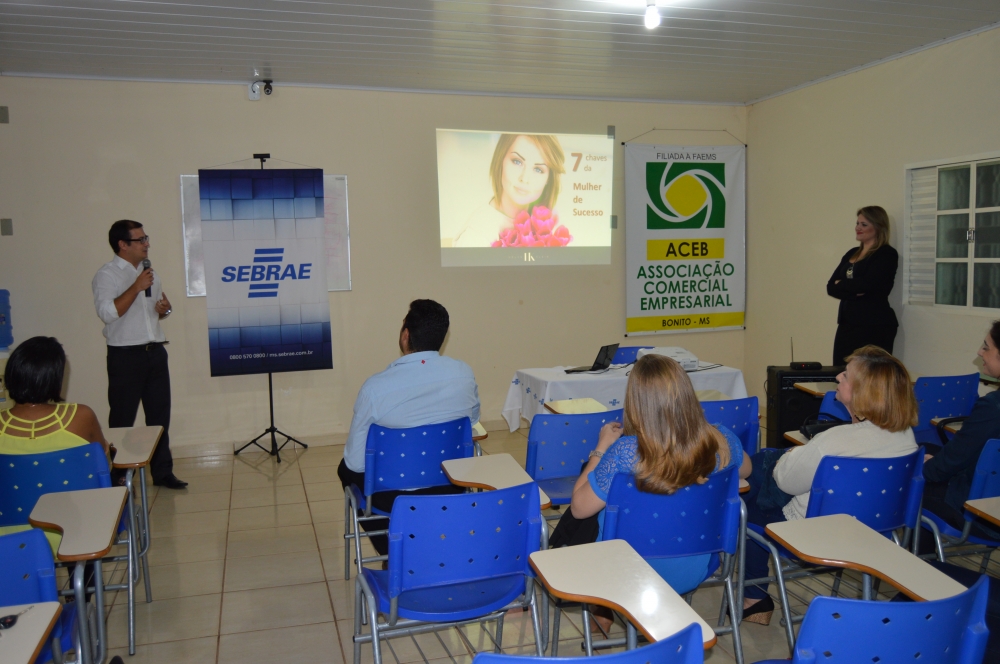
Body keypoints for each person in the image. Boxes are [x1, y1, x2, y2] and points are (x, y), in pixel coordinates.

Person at [566, 354, 751, 629]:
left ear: (635, 402)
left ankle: (602, 611)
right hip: (693, 568)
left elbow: (578, 509)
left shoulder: (625, 452)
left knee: (596, 504)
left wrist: (601, 448)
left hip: (624, 573)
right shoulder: (721, 439)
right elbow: (745, 469)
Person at [741, 345, 918, 625]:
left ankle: (753, 598)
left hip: (814, 532)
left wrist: (793, 455)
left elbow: (786, 482)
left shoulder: (834, 440)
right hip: (875, 530)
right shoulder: (906, 437)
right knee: (762, 465)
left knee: (746, 501)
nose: (837, 378)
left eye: (845, 375)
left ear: (863, 391)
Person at [337, 299, 480, 556]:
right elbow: (472, 420)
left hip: (391, 495)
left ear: (405, 336)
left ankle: (393, 552)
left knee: (345, 468)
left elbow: (356, 463)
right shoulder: (464, 374)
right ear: (442, 337)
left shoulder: (375, 388)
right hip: (449, 484)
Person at [92, 219, 185, 489]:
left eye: (146, 238)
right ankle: (118, 476)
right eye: (140, 239)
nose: (147, 244)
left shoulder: (149, 273)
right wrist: (135, 286)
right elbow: (108, 313)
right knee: (123, 419)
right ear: (123, 244)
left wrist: (164, 309)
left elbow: (154, 312)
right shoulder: (107, 275)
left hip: (155, 352)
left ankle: (163, 473)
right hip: (125, 356)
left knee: (159, 418)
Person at [0, 336, 111, 548]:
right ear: (55, 379)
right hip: (76, 533)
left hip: (8, 539)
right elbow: (103, 464)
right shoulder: (81, 416)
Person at [922, 321, 1000, 539]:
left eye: (986, 347)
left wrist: (921, 469)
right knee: (926, 449)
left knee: (911, 480)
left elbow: (949, 463)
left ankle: (920, 558)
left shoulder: (993, 408)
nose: (980, 352)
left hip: (980, 512)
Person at [453, 133, 566, 247]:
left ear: (549, 178)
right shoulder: (476, 235)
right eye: (517, 161)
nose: (524, 178)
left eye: (538, 169)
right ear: (501, 159)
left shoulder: (545, 223)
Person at [827, 206, 899, 365]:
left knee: (869, 374)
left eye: (864, 224)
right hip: (847, 324)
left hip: (874, 325)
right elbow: (831, 287)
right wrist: (854, 290)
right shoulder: (851, 253)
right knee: (841, 370)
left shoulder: (886, 254)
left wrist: (843, 285)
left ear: (878, 227)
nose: (858, 228)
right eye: (857, 223)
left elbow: (868, 284)